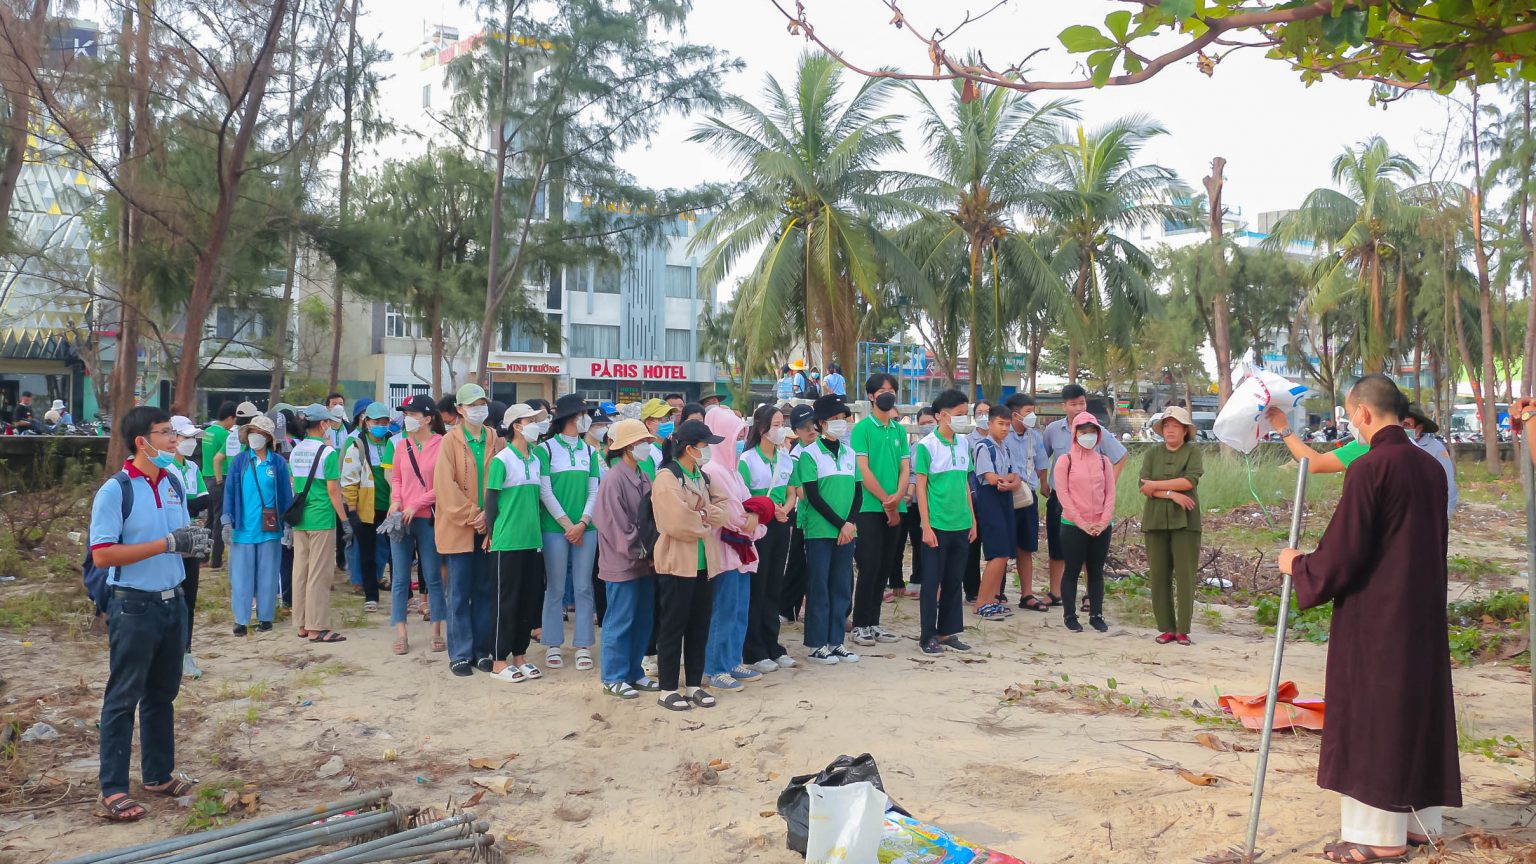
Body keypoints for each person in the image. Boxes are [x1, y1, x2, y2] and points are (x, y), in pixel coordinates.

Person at [1277, 374, 1458, 863]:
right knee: (1417, 705)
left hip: (1379, 614)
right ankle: (1422, 822)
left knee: (1376, 714)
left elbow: (1345, 552)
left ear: (1362, 413)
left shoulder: (1371, 467)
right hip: (1420, 607)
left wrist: (1299, 564)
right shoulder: (1430, 466)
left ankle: (1381, 836)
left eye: (1349, 413)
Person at [90, 406, 211, 822]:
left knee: (162, 694)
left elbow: (179, 538)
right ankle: (114, 790)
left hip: (171, 600)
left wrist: (192, 543)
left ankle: (158, 774)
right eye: (165, 434)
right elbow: (103, 554)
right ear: (142, 442)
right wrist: (165, 544)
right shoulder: (115, 491)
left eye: (174, 434)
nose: (174, 442)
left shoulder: (174, 481)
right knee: (123, 697)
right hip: (134, 604)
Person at [651, 419, 729, 711]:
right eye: (703, 445)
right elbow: (675, 521)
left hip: (704, 563)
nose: (707, 450)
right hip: (676, 564)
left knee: (699, 625)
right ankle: (668, 688)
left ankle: (694, 684)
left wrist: (702, 513)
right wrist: (705, 519)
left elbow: (725, 508)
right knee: (673, 626)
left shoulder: (702, 475)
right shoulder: (667, 478)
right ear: (688, 448)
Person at [435, 383, 504, 676]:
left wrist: (489, 517)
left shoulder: (495, 439)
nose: (479, 409)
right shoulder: (449, 442)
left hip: (490, 528)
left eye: (482, 403)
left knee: (486, 590)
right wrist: (474, 515)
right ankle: (460, 653)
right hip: (459, 528)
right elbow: (444, 487)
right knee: (459, 592)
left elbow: (503, 480)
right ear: (460, 410)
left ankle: (482, 650)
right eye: (472, 404)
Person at [593, 419, 662, 698]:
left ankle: (634, 671)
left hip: (645, 561)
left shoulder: (643, 475)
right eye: (641, 442)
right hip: (622, 562)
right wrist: (642, 550)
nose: (646, 446)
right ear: (628, 447)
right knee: (620, 619)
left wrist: (651, 551)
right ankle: (613, 676)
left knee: (643, 618)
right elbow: (616, 526)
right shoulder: (613, 479)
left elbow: (650, 517)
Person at [1043, 385, 1126, 608]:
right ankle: (1055, 592)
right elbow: (1043, 458)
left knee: (1091, 554)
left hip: (1092, 503)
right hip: (1061, 500)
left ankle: (1090, 596)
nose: (1079, 407)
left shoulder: (1096, 429)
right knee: (1057, 548)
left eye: (1082, 402)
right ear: (1064, 406)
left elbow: (1121, 456)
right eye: (1073, 404)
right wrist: (1043, 482)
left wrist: (1107, 485)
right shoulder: (1052, 430)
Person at [483, 404, 550, 681]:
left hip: (532, 540)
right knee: (505, 602)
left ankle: (520, 656)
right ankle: (498, 660)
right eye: (530, 420)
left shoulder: (535, 459)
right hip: (507, 541)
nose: (536, 424)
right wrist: (489, 533)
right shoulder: (502, 460)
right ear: (516, 426)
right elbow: (490, 501)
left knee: (527, 600)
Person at [701, 407, 766, 691]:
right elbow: (733, 515)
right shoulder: (712, 471)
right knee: (723, 610)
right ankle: (715, 668)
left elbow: (755, 512)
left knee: (740, 609)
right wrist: (754, 521)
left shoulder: (733, 471)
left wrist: (756, 523)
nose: (740, 439)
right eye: (736, 435)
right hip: (725, 550)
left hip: (743, 551)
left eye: (743, 434)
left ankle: (733, 660)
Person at [536, 394, 601, 672]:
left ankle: (583, 644)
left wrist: (583, 522)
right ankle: (552, 643)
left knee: (584, 587)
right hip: (554, 529)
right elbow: (545, 491)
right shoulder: (546, 450)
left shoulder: (591, 452)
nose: (586, 419)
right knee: (556, 587)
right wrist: (566, 524)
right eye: (582, 414)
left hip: (587, 529)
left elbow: (594, 490)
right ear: (571, 418)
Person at [796, 395, 861, 665]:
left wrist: (851, 523)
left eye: (843, 419)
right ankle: (816, 644)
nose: (841, 424)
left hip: (847, 532)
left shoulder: (850, 453)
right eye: (834, 420)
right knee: (819, 586)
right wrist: (840, 524)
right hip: (820, 530)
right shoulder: (809, 454)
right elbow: (813, 496)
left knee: (841, 586)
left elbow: (858, 493)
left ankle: (836, 641)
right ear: (821, 423)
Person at [915, 390, 976, 655]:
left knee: (954, 580)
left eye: (965, 414)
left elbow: (965, 483)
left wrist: (972, 519)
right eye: (960, 414)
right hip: (937, 525)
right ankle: (927, 635)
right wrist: (926, 526)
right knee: (931, 582)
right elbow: (921, 488)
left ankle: (947, 631)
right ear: (942, 415)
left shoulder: (964, 444)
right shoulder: (926, 446)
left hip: (960, 523)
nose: (964, 419)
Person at [737, 404, 797, 673]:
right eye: (775, 424)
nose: (780, 428)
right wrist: (772, 510)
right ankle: (754, 649)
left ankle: (773, 645)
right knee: (757, 588)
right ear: (761, 429)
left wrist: (786, 507)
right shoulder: (747, 459)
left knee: (775, 585)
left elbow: (793, 490)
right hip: (758, 529)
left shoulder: (785, 457)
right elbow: (744, 499)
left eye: (782, 423)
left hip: (781, 525)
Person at [849, 374, 907, 645]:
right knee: (869, 564)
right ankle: (860, 623)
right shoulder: (862, 430)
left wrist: (898, 498)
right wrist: (887, 500)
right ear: (871, 396)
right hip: (870, 506)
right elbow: (863, 469)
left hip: (898, 505)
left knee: (885, 565)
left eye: (892, 390)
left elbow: (905, 467)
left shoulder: (899, 430)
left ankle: (874, 622)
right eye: (882, 391)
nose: (888, 394)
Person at [221, 414, 289, 640]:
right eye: (251, 433)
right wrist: (226, 520)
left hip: (270, 529)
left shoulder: (277, 462)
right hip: (242, 529)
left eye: (259, 433)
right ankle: (241, 620)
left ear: (268, 437)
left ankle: (265, 618)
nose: (254, 437)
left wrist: (287, 522)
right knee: (241, 577)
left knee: (268, 574)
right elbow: (229, 491)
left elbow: (285, 495)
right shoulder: (240, 461)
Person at [387, 395, 446, 655]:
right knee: (399, 577)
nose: (408, 418)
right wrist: (396, 502)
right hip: (401, 519)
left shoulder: (442, 444)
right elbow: (397, 479)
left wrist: (417, 504)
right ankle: (401, 632)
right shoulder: (401, 446)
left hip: (428, 517)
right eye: (406, 413)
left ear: (427, 418)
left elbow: (442, 485)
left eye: (412, 414)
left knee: (432, 576)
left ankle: (436, 630)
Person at [1139, 407, 1203, 646]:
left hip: (1186, 522)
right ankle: (1166, 627)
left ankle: (1183, 629)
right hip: (1155, 521)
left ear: (1185, 430)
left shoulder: (1193, 452)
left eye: (1175, 426)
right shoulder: (1151, 453)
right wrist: (1171, 494)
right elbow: (1143, 486)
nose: (1170, 430)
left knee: (1185, 575)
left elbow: (1189, 481)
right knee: (1158, 575)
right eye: (1166, 426)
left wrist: (1157, 486)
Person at [289, 404, 349, 643]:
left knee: (300, 571)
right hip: (322, 518)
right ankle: (317, 627)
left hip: (300, 519)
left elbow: (295, 484)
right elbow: (333, 491)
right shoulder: (328, 453)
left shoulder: (295, 450)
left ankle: (301, 624)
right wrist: (345, 520)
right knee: (319, 573)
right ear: (323, 424)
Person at [1054, 411, 1117, 633]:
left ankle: (1096, 614)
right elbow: (1063, 495)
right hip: (1073, 526)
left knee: (1096, 570)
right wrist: (1081, 523)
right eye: (1084, 432)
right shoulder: (1065, 461)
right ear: (1075, 433)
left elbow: (1110, 493)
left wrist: (1103, 521)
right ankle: (1070, 615)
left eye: (1092, 432)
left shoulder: (1103, 461)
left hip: (1101, 525)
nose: (1088, 436)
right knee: (1071, 570)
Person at [166, 416, 210, 678]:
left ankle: (186, 653)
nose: (191, 443)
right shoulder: (165, 468)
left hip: (191, 543)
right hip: (168, 544)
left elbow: (203, 501)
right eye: (186, 438)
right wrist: (188, 507)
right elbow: (187, 505)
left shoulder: (192, 468)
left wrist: (186, 507)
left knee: (188, 599)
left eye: (193, 439)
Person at [341, 403, 393, 613]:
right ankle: (371, 595)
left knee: (395, 554)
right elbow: (349, 480)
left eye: (384, 422)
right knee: (367, 553)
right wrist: (352, 510)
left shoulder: (393, 442)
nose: (380, 425)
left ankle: (404, 595)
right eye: (376, 422)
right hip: (367, 508)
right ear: (366, 422)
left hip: (390, 506)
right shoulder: (357, 445)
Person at [971, 410, 1021, 621]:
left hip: (1005, 500)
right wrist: (1007, 480)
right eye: (1000, 424)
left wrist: (1009, 481)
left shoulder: (1005, 447)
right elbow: (991, 479)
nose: (1004, 429)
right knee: (997, 552)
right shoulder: (984, 446)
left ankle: (993, 599)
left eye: (1008, 425)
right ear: (990, 424)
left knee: (1006, 552)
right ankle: (981, 602)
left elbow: (1015, 476)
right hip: (989, 501)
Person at [1002, 393, 1049, 611]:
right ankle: (996, 592)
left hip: (1028, 497)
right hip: (1004, 496)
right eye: (1028, 412)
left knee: (1026, 547)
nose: (1032, 416)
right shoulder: (1003, 434)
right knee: (1002, 546)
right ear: (1015, 415)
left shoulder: (1035, 436)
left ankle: (1026, 594)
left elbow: (1041, 465)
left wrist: (1044, 484)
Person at [778, 404, 817, 623]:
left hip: (827, 515)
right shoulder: (796, 456)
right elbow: (801, 491)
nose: (810, 430)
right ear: (795, 430)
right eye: (804, 427)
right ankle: (786, 608)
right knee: (797, 563)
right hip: (805, 516)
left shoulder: (824, 447)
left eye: (813, 424)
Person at [902, 407, 937, 597]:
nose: (926, 427)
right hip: (916, 502)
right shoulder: (914, 448)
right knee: (917, 541)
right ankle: (917, 578)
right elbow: (911, 473)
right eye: (922, 424)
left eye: (929, 422)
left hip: (937, 501)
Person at [1402, 403, 1457, 519]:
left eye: (1406, 425)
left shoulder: (1436, 449)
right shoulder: (1392, 448)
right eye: (1399, 425)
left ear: (1419, 428)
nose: (1403, 429)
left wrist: (1444, 518)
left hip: (1427, 515)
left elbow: (1448, 486)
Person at [202, 402, 236, 571]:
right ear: (230, 418)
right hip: (219, 479)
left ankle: (203, 556)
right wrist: (220, 480)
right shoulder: (225, 435)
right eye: (234, 419)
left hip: (205, 478)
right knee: (219, 522)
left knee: (208, 520)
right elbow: (220, 457)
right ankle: (215, 561)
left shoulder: (207, 432)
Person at [636, 398, 675, 479]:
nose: (669, 423)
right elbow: (649, 486)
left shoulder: (674, 446)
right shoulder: (646, 452)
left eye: (671, 418)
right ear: (649, 423)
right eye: (664, 419)